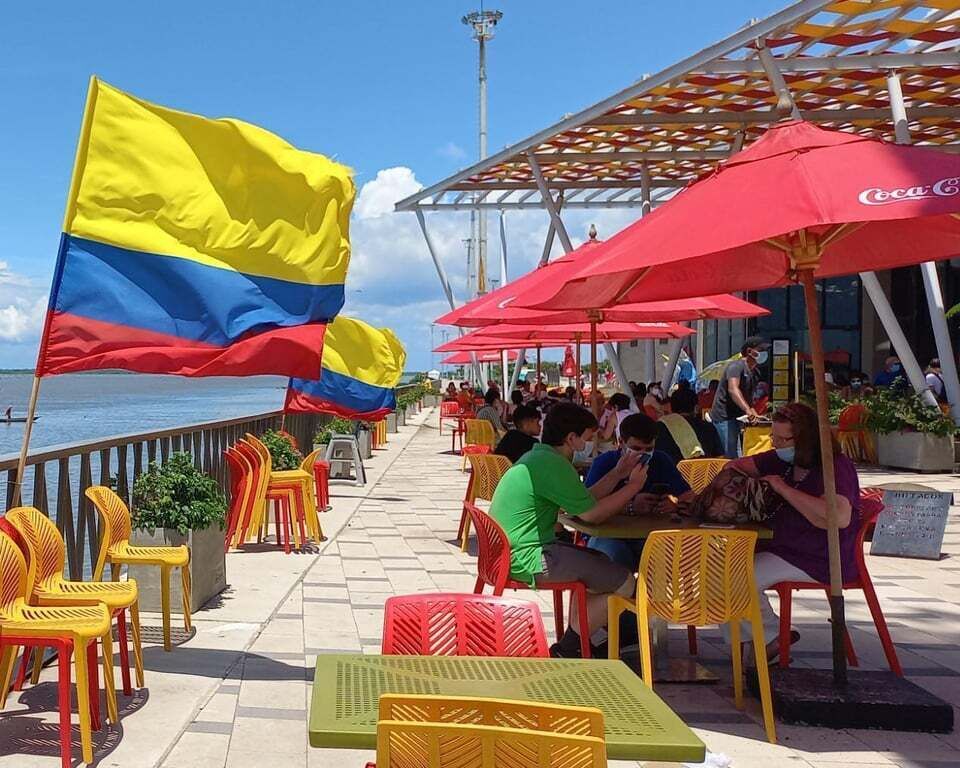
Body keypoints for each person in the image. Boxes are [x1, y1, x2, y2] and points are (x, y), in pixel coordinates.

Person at [489, 403, 649, 658]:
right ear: (571, 438)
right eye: (587, 438)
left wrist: (618, 474)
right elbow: (592, 514)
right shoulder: (554, 464)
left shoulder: (538, 457)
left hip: (510, 552)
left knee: (600, 566)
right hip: (529, 557)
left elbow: (583, 501)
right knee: (625, 581)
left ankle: (584, 641)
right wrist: (633, 487)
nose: (590, 443)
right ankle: (570, 647)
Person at [727, 402, 861, 657]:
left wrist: (783, 490)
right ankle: (759, 643)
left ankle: (771, 637)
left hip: (820, 555)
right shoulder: (781, 460)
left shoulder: (834, 466)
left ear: (805, 440)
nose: (775, 444)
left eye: (782, 439)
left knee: (737, 576)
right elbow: (735, 466)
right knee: (721, 567)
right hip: (783, 545)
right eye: (773, 437)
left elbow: (840, 517)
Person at [585, 413, 694, 570]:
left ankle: (650, 593)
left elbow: (689, 496)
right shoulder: (605, 462)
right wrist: (630, 507)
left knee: (668, 557)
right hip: (608, 536)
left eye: (648, 449)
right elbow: (587, 506)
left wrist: (675, 503)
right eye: (636, 448)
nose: (643, 454)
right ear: (621, 443)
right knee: (614, 556)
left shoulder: (660, 460)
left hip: (649, 536)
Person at [710, 336, 767, 458]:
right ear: (750, 352)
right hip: (724, 417)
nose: (764, 353)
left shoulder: (755, 373)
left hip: (738, 417)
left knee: (739, 453)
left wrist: (754, 414)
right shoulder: (736, 367)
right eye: (761, 349)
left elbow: (748, 399)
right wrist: (748, 411)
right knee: (731, 454)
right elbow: (733, 389)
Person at [656, 387, 723, 464]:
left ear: (671, 407)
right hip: (704, 473)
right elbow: (719, 458)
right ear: (696, 408)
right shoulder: (709, 427)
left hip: (669, 474)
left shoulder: (660, 427)